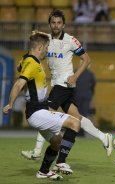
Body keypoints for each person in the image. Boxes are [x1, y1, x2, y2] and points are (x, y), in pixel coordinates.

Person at [21, 9, 112, 161]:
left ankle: (37, 151)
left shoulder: (70, 40)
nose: (56, 26)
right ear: (49, 24)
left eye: (59, 23)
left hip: (63, 84)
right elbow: (36, 51)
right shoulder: (46, 40)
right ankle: (104, 137)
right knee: (77, 117)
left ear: (64, 24)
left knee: (46, 113)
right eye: (53, 23)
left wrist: (75, 76)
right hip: (58, 84)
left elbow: (87, 60)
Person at [3, 32, 80, 179]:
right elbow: (19, 83)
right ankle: (61, 162)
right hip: (36, 112)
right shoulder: (31, 63)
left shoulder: (28, 60)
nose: (47, 51)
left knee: (56, 141)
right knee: (75, 123)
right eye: (45, 48)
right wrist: (10, 104)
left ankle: (43, 171)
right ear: (39, 47)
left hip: (40, 110)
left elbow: (20, 65)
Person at [74, 64, 96, 136]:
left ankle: (77, 131)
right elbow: (93, 84)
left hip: (78, 95)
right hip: (87, 96)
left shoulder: (76, 72)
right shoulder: (90, 74)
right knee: (84, 114)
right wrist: (91, 93)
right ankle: (82, 132)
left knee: (77, 114)